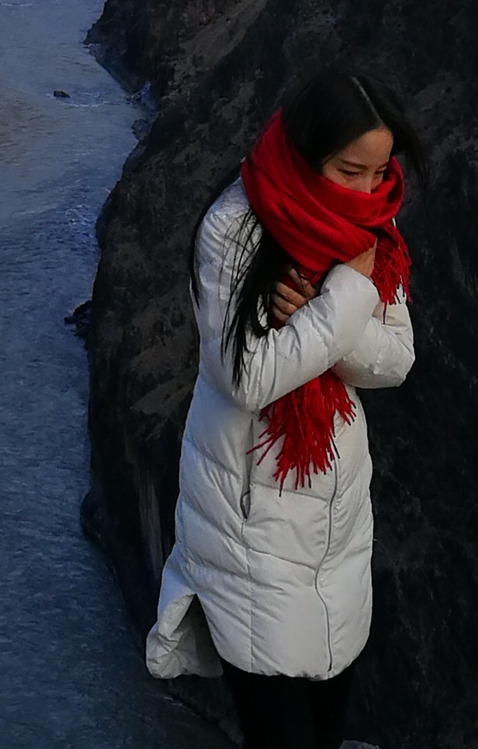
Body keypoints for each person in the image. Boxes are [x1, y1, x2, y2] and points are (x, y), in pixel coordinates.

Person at [145, 66, 424, 749]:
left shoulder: (369, 230)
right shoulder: (234, 229)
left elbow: (395, 360)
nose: (368, 192)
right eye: (349, 171)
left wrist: (323, 317)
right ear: (305, 156)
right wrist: (346, 301)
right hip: (251, 540)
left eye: (378, 172)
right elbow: (248, 377)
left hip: (338, 532)